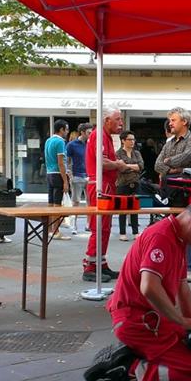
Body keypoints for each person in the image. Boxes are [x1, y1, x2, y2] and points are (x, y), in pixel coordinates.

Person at [83, 199, 191, 381]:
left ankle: (138, 356)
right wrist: (185, 323)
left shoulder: (178, 238)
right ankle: (131, 368)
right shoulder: (162, 237)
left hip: (153, 318)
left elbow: (183, 288)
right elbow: (149, 287)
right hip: (137, 321)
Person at [82, 108, 136, 282]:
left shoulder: (104, 136)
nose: (121, 123)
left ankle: (100, 263)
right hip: (100, 185)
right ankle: (90, 266)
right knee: (100, 226)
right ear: (107, 120)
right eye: (118, 119)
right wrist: (119, 164)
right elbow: (102, 162)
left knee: (104, 227)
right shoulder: (100, 136)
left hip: (104, 184)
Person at [156, 107, 191, 281]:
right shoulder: (169, 143)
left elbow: (187, 159)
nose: (170, 123)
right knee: (173, 227)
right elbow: (157, 164)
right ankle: (174, 265)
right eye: (170, 120)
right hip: (172, 191)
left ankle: (190, 267)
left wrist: (170, 164)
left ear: (184, 122)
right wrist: (174, 167)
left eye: (173, 120)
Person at [44, 119, 71, 240]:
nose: (67, 131)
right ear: (61, 130)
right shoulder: (60, 142)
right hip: (57, 174)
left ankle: (49, 229)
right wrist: (65, 180)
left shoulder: (48, 140)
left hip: (49, 173)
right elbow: (61, 162)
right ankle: (56, 231)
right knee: (57, 204)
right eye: (66, 129)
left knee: (50, 203)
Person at [115, 130, 144, 241]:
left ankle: (135, 231)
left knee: (134, 208)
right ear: (123, 140)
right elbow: (120, 168)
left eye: (133, 139)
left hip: (135, 183)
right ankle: (122, 232)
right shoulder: (118, 153)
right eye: (129, 139)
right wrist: (133, 167)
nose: (132, 142)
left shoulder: (137, 153)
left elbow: (141, 166)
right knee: (123, 209)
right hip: (123, 183)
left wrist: (127, 165)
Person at [66, 122, 92, 235]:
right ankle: (74, 225)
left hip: (89, 176)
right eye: (89, 133)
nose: (91, 135)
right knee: (75, 201)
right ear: (82, 132)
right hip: (77, 175)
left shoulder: (91, 144)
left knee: (90, 202)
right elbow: (67, 160)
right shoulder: (72, 145)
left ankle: (88, 224)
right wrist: (69, 174)